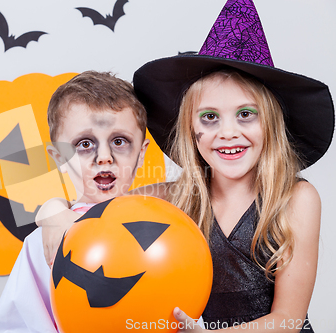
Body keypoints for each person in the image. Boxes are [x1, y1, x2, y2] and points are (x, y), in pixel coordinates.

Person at [39, 0, 334, 331]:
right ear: (191, 132)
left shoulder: (295, 198)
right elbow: (96, 210)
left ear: (271, 123)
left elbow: (286, 321)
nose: (227, 133)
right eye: (209, 117)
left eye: (246, 114)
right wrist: (52, 212)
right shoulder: (170, 199)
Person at [0, 70, 150, 333]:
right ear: (59, 157)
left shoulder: (163, 229)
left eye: (119, 141)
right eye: (85, 144)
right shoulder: (42, 243)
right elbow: (15, 325)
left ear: (141, 154)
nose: (104, 156)